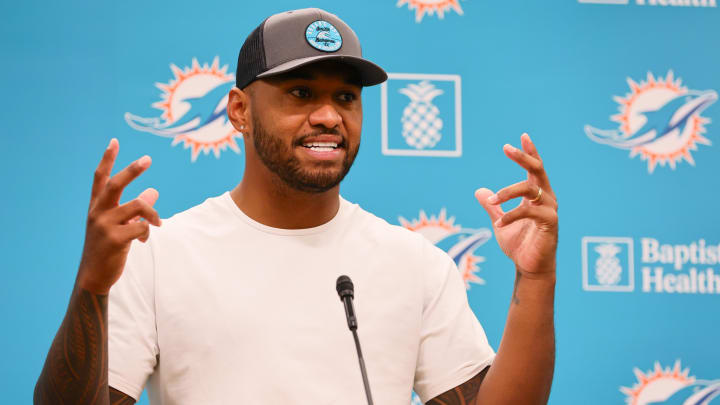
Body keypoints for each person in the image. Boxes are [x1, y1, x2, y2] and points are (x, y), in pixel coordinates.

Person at [34, 8, 558, 405]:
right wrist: (93, 286)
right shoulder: (161, 254)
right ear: (240, 110)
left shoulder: (415, 263)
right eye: (301, 93)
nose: (329, 116)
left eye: (347, 97)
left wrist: (535, 283)